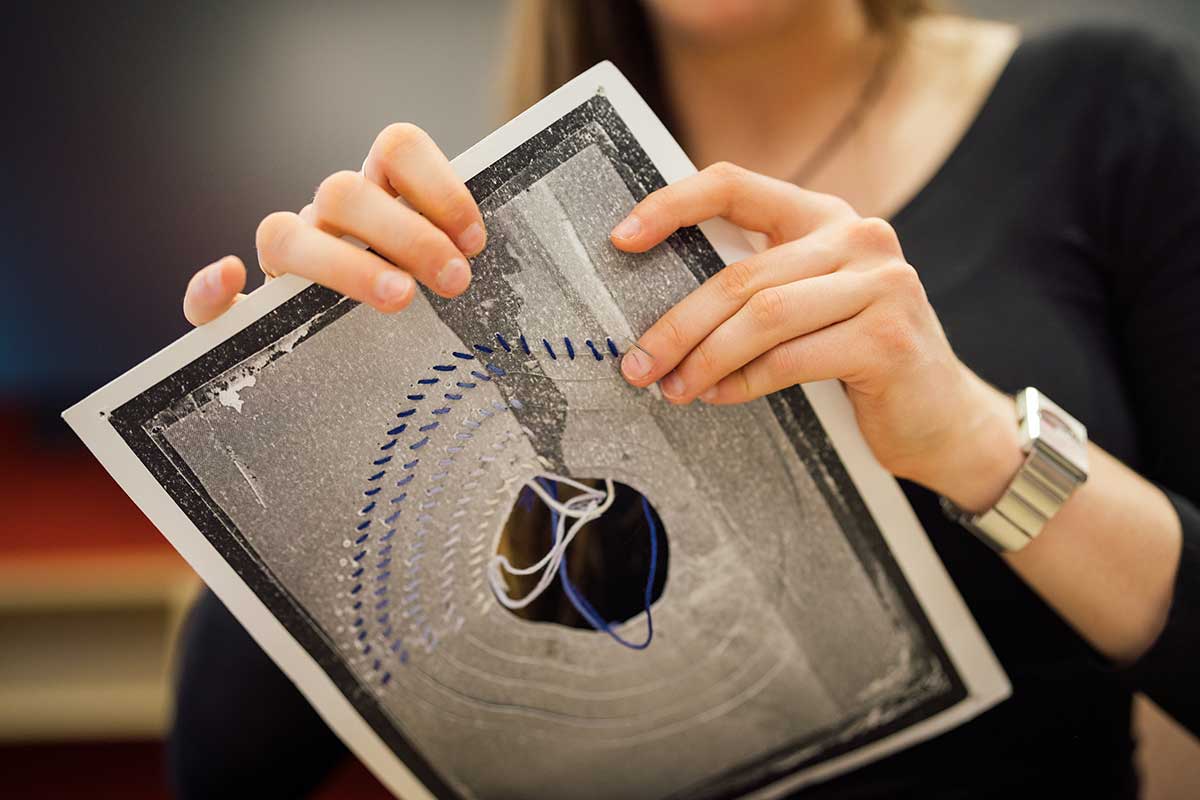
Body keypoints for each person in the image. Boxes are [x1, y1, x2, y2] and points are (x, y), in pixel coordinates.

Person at [170, 1, 1200, 797]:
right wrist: (287, 430)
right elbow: (224, 763)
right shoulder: (475, 252)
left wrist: (980, 441)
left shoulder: (1111, 109)